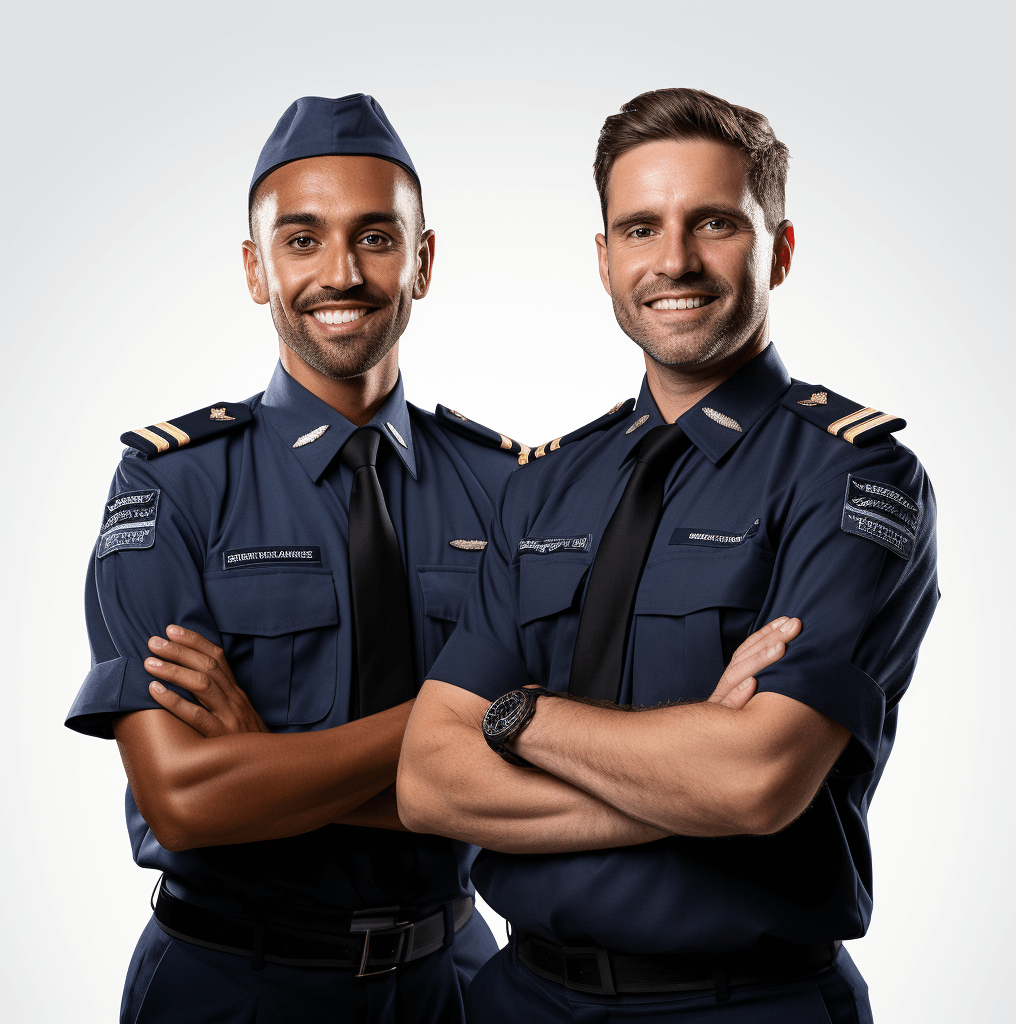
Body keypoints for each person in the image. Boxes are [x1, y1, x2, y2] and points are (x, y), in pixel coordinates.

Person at [397, 87, 939, 1023]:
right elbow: (428, 778)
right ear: (605, 260)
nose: (675, 259)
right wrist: (689, 784)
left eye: (716, 222)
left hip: (744, 1004)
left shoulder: (852, 477)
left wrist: (518, 719)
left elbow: (756, 778)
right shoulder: (545, 485)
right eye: (641, 228)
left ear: (783, 248)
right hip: (517, 998)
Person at [65, 93, 529, 1024]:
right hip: (231, 984)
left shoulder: (510, 490)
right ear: (255, 267)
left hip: (459, 987)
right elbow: (185, 800)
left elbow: (549, 787)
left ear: (424, 262)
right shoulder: (170, 487)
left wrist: (264, 761)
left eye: (376, 238)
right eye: (303, 240)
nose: (342, 273)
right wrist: (476, 726)